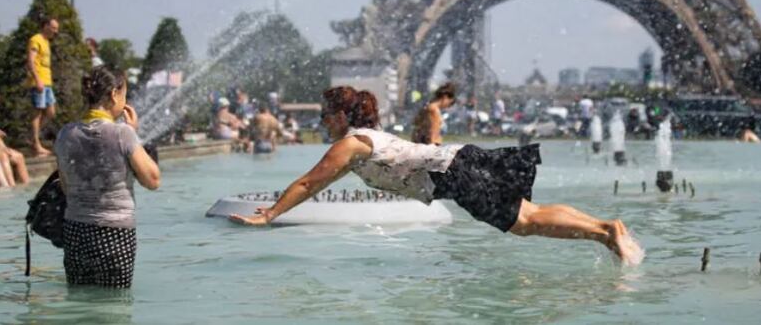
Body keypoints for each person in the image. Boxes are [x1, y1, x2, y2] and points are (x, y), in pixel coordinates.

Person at [229, 87, 642, 264]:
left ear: (340, 116)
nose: (321, 122)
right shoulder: (367, 136)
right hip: (459, 159)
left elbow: (308, 182)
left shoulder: (350, 143)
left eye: (324, 115)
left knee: (525, 224)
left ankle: (605, 233)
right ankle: (606, 227)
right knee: (530, 212)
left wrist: (269, 216)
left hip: (453, 171)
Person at [54, 66, 160, 289]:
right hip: (115, 234)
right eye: (124, 94)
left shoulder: (65, 133)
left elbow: (65, 186)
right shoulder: (123, 133)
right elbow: (152, 180)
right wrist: (135, 133)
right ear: (113, 94)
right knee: (114, 307)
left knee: (80, 301)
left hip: (75, 231)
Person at [27, 17, 59, 156]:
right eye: (53, 28)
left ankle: (33, 137)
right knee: (37, 113)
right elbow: (30, 60)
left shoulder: (46, 42)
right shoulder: (36, 40)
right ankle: (36, 144)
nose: (55, 31)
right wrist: (37, 79)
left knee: (51, 112)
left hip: (47, 82)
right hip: (39, 81)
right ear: (45, 26)